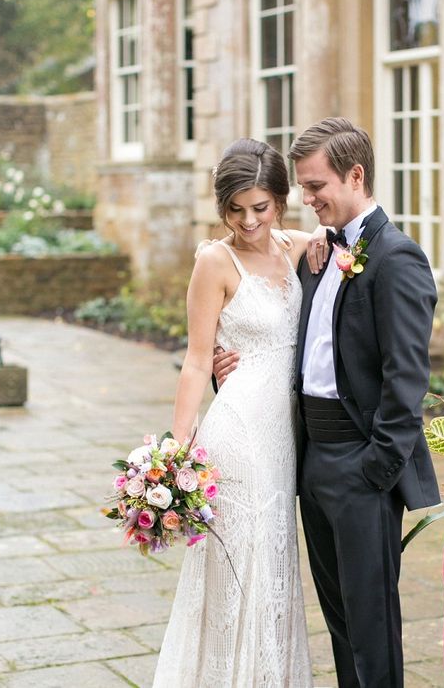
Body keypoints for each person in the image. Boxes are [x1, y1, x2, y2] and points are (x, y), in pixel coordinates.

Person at [215, 117, 439, 687]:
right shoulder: (318, 253)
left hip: (361, 465)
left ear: (355, 175)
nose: (306, 199)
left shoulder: (396, 257)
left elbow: (406, 378)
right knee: (338, 625)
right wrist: (231, 375)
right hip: (311, 459)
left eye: (315, 187)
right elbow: (290, 344)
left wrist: (376, 470)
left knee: (371, 625)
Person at [152, 138, 316, 687]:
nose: (248, 221)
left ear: (280, 202)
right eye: (236, 209)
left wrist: (325, 244)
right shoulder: (214, 261)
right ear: (221, 207)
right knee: (238, 569)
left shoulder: (293, 248)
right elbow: (198, 361)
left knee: (273, 565)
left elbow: (335, 237)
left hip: (282, 437)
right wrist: (175, 453)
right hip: (239, 433)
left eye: (260, 208)